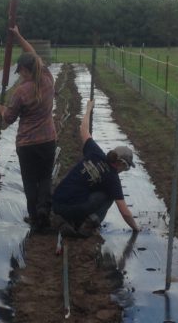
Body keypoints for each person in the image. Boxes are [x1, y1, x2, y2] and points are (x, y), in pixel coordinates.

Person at [49, 99, 140, 238]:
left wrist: (88, 109)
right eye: (125, 168)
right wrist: (136, 228)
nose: (123, 171)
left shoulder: (95, 152)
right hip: (69, 209)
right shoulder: (112, 178)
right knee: (108, 196)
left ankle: (65, 219)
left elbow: (83, 129)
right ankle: (87, 226)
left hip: (56, 202)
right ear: (121, 163)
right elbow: (124, 211)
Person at [0, 25, 56, 231]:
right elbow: (33, 54)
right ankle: (44, 212)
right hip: (48, 140)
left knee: (31, 182)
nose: (19, 74)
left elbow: (8, 119)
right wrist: (19, 36)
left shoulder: (21, 92)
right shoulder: (48, 79)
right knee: (45, 178)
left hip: (27, 143)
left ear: (25, 70)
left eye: (20, 71)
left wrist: (2, 109)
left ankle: (34, 217)